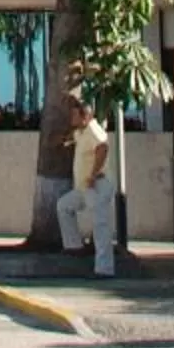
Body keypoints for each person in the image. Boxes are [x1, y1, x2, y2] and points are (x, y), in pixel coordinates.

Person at [56, 93, 117, 274]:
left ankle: (104, 269)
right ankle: (74, 246)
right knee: (64, 206)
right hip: (84, 188)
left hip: (97, 185)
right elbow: (72, 138)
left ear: (86, 116)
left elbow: (103, 148)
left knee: (100, 225)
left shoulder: (93, 129)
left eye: (75, 115)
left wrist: (93, 174)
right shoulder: (81, 132)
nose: (71, 118)